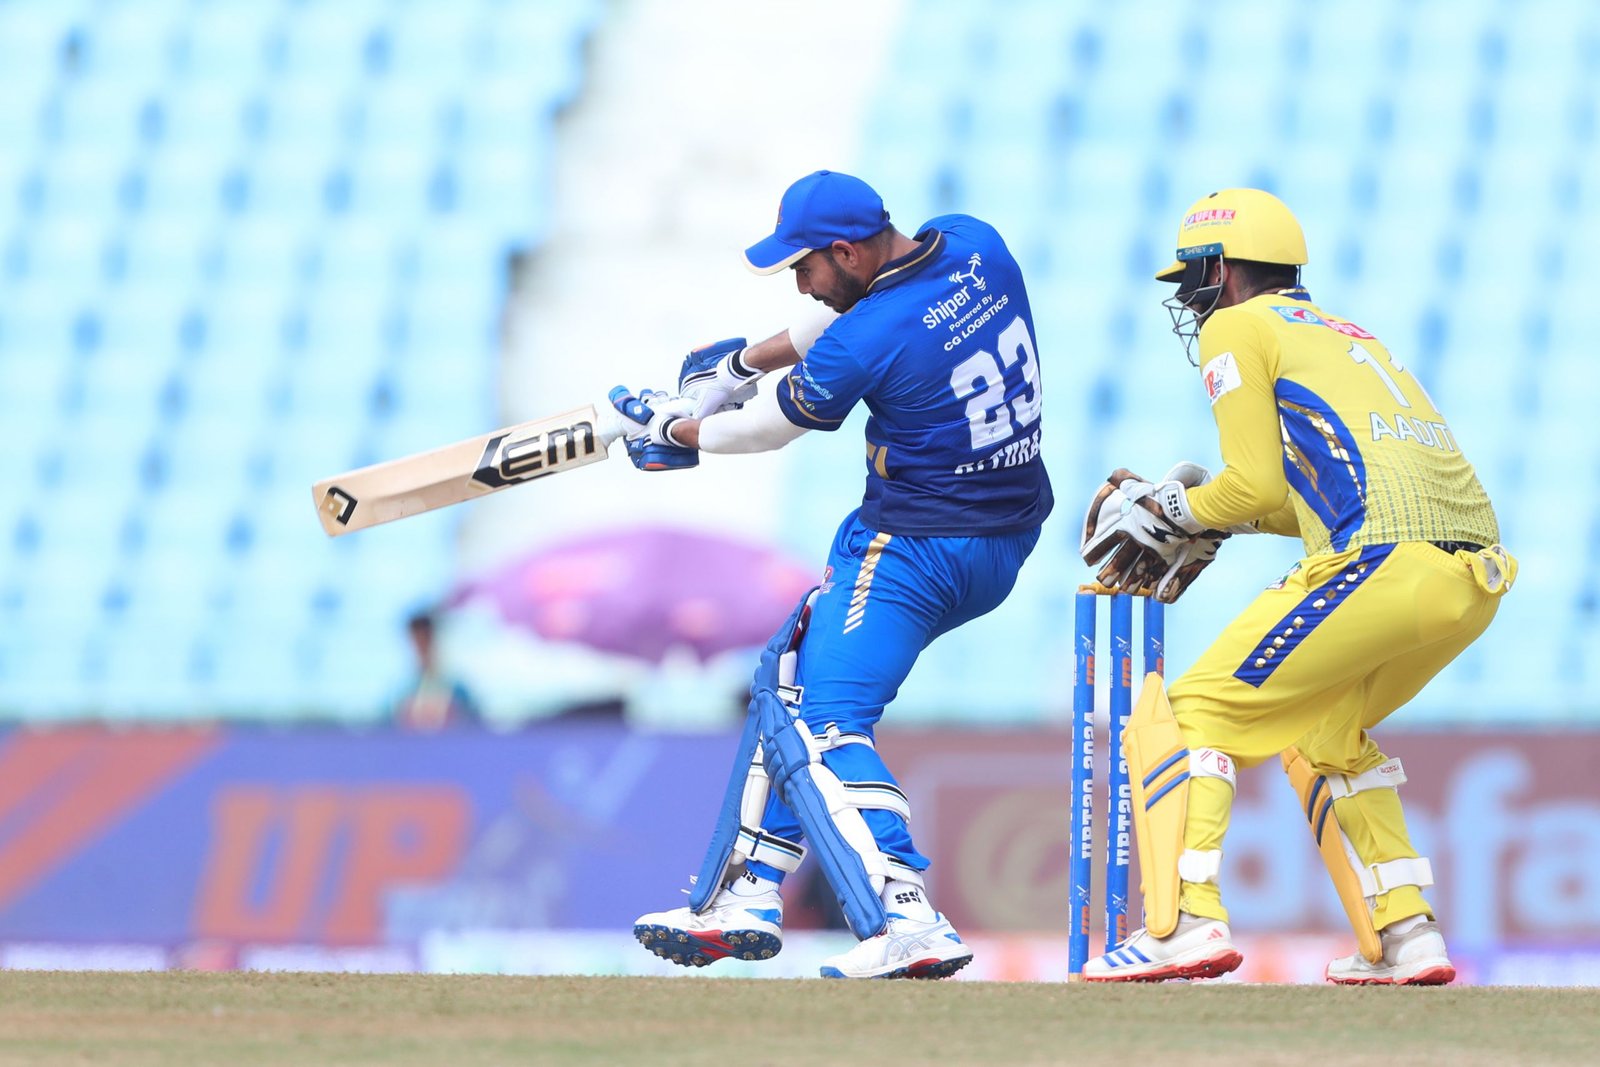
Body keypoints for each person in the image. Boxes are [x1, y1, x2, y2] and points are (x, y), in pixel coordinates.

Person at [611, 170, 1052, 979]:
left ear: (846, 251)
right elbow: (864, 321)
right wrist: (743, 360)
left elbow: (769, 429)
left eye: (802, 267)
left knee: (824, 720)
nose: (800, 283)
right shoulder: (975, 242)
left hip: (915, 549)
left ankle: (904, 910)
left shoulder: (867, 333)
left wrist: (678, 429)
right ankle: (742, 890)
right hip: (1006, 535)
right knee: (786, 677)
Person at [1077, 188, 1516, 984]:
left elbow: (1245, 487)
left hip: (1379, 562)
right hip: (1471, 577)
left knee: (1194, 710)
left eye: (1194, 280)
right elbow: (1288, 498)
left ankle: (1183, 922)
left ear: (1226, 269)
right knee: (1326, 736)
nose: (1189, 300)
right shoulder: (1350, 334)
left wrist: (1169, 506)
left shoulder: (1235, 325)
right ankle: (1407, 935)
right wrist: (1204, 516)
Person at [390, 611, 481, 731]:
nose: (422, 648)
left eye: (426, 640)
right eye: (417, 642)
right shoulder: (402, 694)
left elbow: (476, 727)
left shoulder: (458, 690)